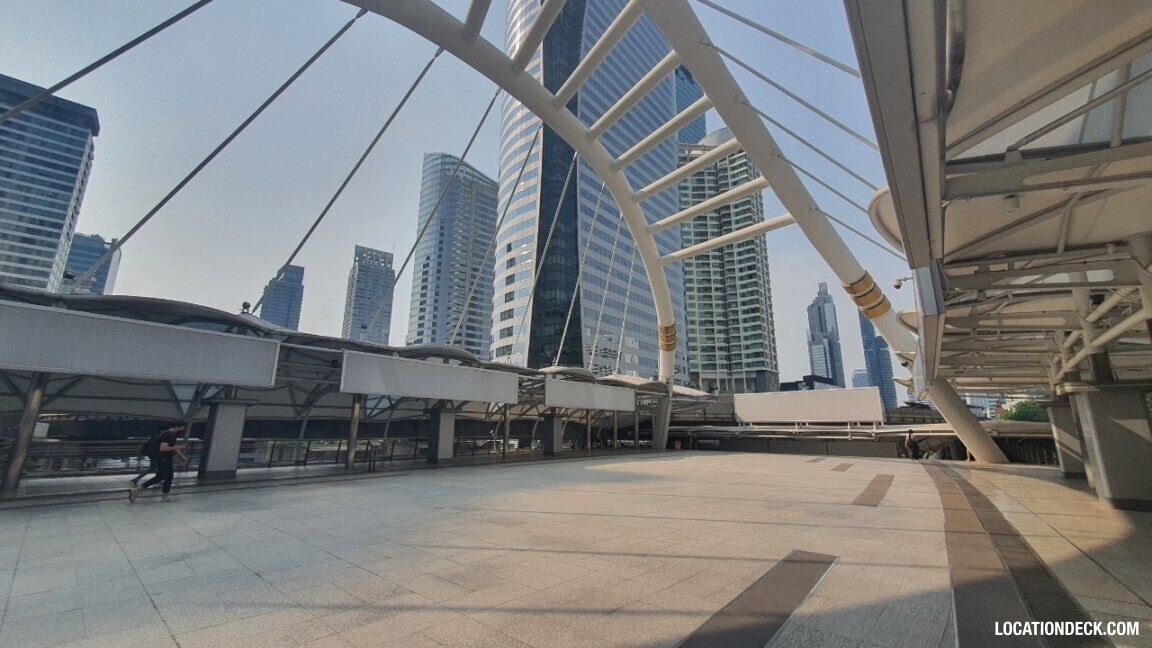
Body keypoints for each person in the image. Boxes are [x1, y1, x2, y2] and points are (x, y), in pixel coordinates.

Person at [129, 425, 186, 503]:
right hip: (165, 458)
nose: (182, 430)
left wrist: (181, 456)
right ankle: (165, 496)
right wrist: (179, 447)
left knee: (160, 476)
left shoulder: (168, 434)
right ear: (177, 427)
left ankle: (137, 490)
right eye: (182, 428)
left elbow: (173, 445)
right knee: (169, 476)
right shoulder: (169, 435)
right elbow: (163, 448)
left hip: (161, 458)